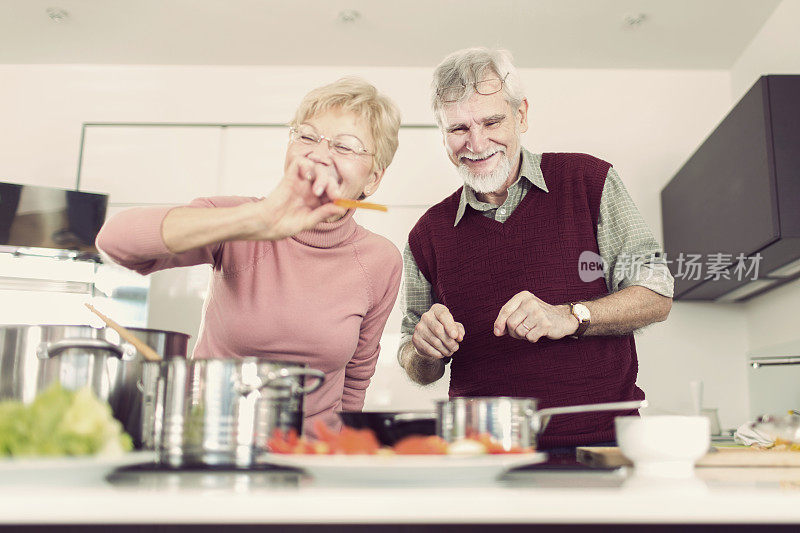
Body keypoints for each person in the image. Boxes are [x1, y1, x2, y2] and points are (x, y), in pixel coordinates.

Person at [398, 48, 674, 449]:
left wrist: (571, 316)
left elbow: (657, 294)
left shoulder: (588, 181)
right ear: (442, 135)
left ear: (521, 115)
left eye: (492, 121)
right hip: (480, 453)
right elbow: (418, 365)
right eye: (458, 129)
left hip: (601, 446)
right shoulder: (427, 234)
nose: (476, 142)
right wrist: (423, 349)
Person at [97, 77, 403, 436]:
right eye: (306, 136)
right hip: (212, 443)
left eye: (345, 146)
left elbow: (356, 378)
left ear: (373, 181)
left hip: (312, 457)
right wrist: (255, 220)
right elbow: (114, 242)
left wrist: (339, 458)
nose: (319, 154)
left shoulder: (381, 260)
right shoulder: (239, 218)